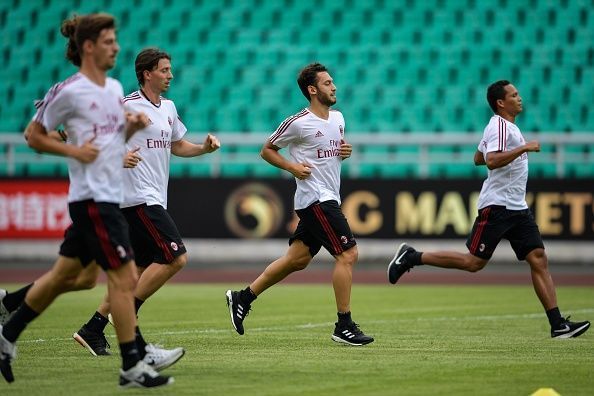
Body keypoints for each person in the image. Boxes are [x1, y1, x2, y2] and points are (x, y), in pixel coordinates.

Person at [0, 13, 172, 388]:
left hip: (106, 196)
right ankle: (133, 362)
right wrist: (77, 153)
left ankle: (7, 332)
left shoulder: (111, 89)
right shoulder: (69, 91)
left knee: (70, 277)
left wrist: (131, 128)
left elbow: (110, 140)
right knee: (125, 277)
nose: (117, 48)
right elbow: (34, 136)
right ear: (89, 47)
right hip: (93, 199)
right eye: (110, 42)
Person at [387, 80, 590, 339]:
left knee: (538, 257)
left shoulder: (502, 127)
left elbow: (478, 157)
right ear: (500, 103)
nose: (520, 98)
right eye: (514, 95)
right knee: (473, 263)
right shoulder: (500, 126)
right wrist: (524, 148)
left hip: (517, 207)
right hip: (498, 206)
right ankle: (412, 257)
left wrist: (506, 150)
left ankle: (558, 324)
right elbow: (491, 161)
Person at [72, 47, 220, 365]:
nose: (171, 75)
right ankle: (129, 315)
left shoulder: (167, 107)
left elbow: (177, 144)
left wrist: (203, 150)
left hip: (152, 196)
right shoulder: (125, 106)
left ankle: (94, 328)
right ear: (146, 74)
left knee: (135, 272)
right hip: (136, 198)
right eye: (165, 70)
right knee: (175, 257)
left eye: (170, 69)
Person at [225, 63, 374, 346]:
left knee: (297, 259)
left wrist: (346, 151)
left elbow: (333, 152)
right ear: (312, 90)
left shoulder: (338, 119)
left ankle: (242, 297)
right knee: (348, 254)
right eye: (328, 83)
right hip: (316, 199)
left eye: (333, 82)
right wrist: (292, 167)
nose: (335, 87)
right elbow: (267, 150)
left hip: (327, 196)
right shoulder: (298, 122)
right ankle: (344, 325)